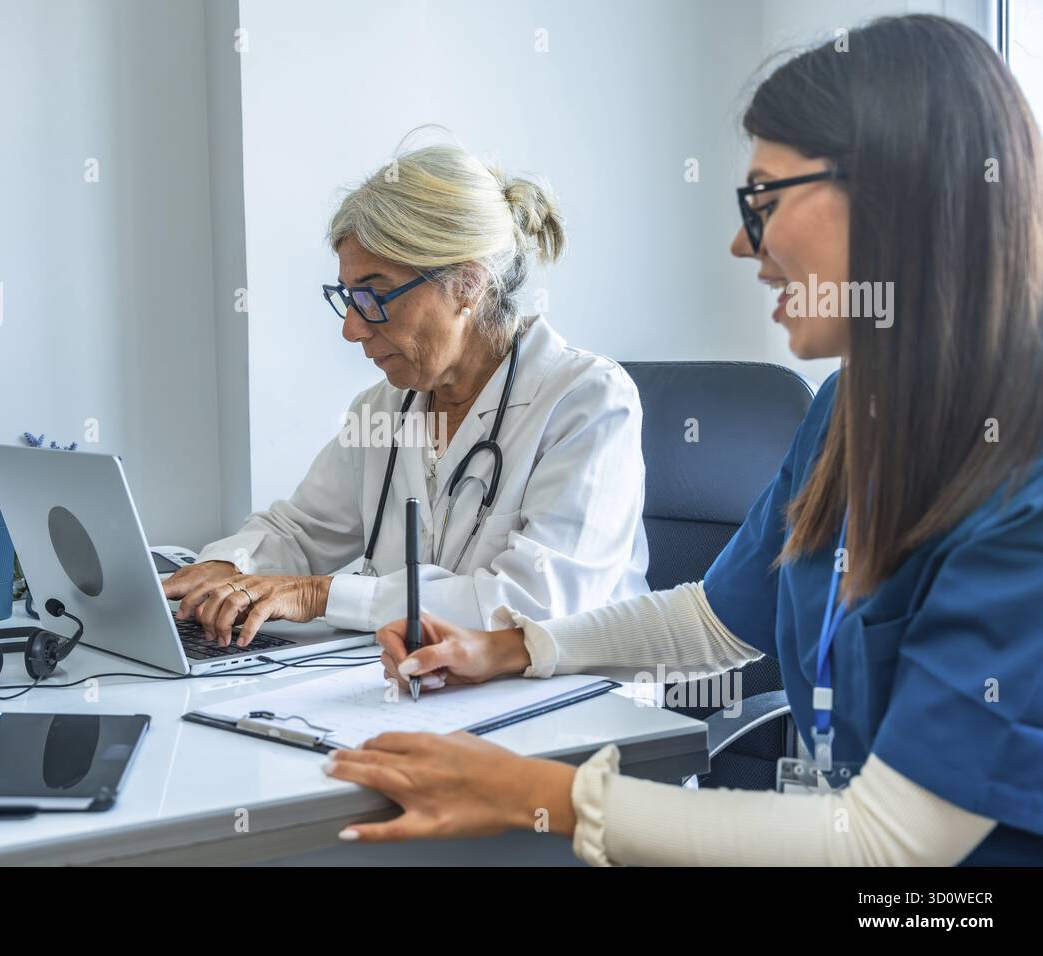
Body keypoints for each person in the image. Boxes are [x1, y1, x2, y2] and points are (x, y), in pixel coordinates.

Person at [325, 16, 1043, 866]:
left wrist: (537, 796)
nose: (744, 242)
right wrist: (514, 649)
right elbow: (716, 620)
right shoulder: (853, 411)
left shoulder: (1020, 471)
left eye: (765, 202)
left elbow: (895, 843)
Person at [164, 138, 649, 648]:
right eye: (348, 298)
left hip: (566, 704)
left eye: (373, 296)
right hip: (423, 686)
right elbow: (300, 531)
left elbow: (534, 607)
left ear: (466, 284)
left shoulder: (586, 402)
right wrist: (224, 568)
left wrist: (320, 595)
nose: (352, 329)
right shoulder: (383, 409)